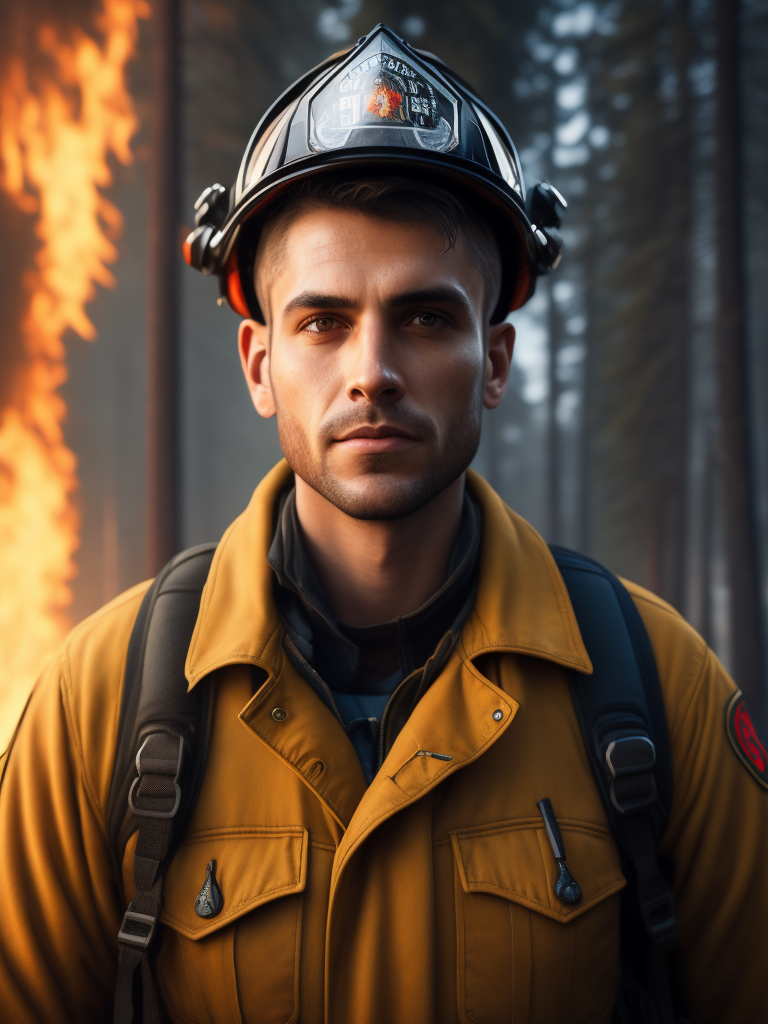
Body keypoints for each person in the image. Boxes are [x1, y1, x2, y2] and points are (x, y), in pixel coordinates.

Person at [0, 24, 766, 1024]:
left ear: (494, 360)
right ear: (259, 362)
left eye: (425, 318)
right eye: (322, 321)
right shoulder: (96, 705)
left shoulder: (660, 690)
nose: (373, 370)